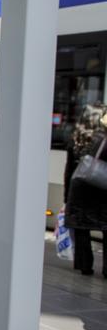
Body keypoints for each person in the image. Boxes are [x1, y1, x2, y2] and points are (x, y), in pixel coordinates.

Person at [65, 103, 107, 276]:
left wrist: (65, 199)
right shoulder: (103, 138)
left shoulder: (76, 139)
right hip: (103, 189)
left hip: (80, 189)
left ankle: (84, 266)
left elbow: (68, 171)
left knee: (82, 229)